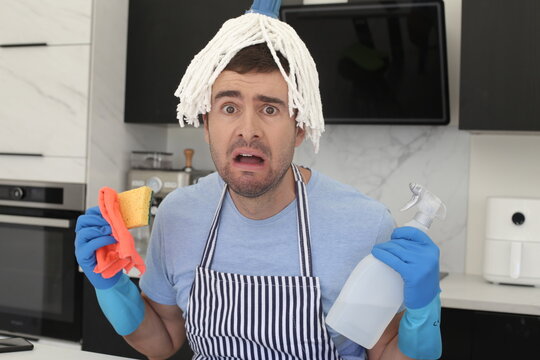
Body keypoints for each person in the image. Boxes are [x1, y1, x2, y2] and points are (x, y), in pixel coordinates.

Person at [75, 1, 442, 359]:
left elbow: (386, 354)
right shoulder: (177, 215)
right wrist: (112, 286)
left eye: (270, 108)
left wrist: (424, 311)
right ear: (206, 125)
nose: (247, 130)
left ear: (299, 129)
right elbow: (163, 341)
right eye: (229, 108)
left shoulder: (364, 224)